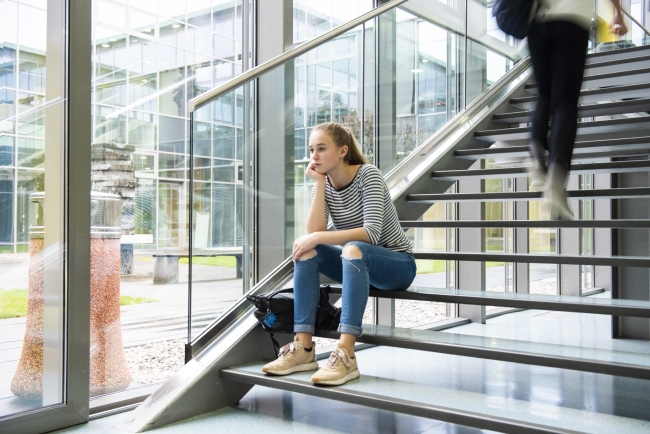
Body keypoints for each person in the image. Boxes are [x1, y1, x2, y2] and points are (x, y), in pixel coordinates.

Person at [261, 122, 416, 386]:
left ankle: (346, 353)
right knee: (308, 249)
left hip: (396, 265)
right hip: (355, 261)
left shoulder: (368, 175)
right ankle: (304, 348)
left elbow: (371, 235)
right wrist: (320, 184)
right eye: (311, 150)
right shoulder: (323, 184)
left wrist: (318, 236)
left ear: (343, 151)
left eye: (322, 149)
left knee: (351, 247)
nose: (314, 156)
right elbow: (314, 231)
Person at [527, 0, 627, 219]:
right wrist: (617, 15)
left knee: (544, 93)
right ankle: (555, 180)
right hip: (572, 20)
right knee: (565, 100)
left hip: (536, 20)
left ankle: (535, 160)